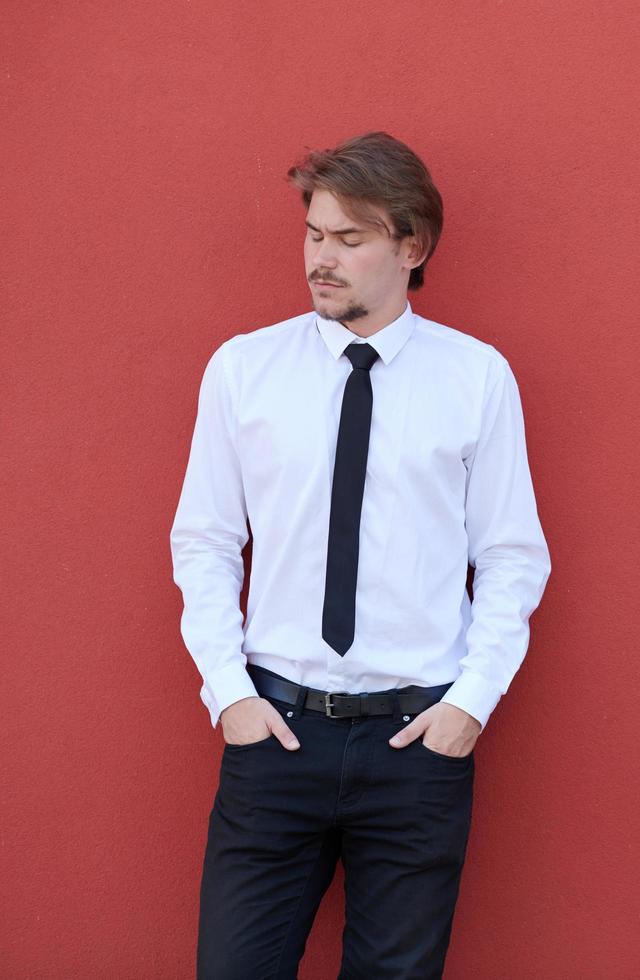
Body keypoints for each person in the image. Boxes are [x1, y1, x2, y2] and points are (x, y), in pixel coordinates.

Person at [171, 131, 550, 979]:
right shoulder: (244, 370)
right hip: (275, 736)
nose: (321, 259)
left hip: (415, 747)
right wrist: (229, 692)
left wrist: (471, 704)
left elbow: (512, 555)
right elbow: (204, 540)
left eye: (350, 239)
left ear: (411, 246)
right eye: (314, 233)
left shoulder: (476, 376)